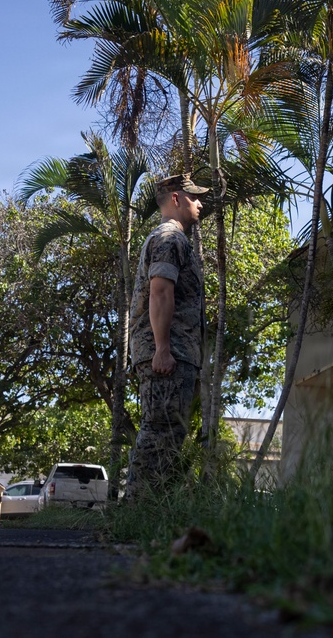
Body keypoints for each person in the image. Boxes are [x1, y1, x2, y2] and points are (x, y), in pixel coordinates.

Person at [125, 174, 207, 501]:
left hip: (172, 352)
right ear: (176, 198)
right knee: (159, 435)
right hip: (166, 354)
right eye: (193, 197)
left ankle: (149, 512)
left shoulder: (169, 238)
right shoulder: (170, 237)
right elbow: (160, 292)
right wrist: (162, 350)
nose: (199, 203)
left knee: (166, 435)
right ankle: (136, 512)